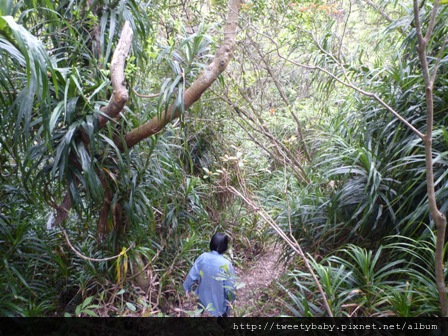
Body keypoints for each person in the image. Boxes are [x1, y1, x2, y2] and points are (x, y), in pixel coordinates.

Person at [183, 233, 236, 317]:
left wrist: (186, 290)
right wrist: (229, 304)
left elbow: (191, 277)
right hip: (219, 309)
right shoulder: (226, 264)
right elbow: (230, 289)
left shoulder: (202, 257)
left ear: (211, 244)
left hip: (201, 306)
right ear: (225, 247)